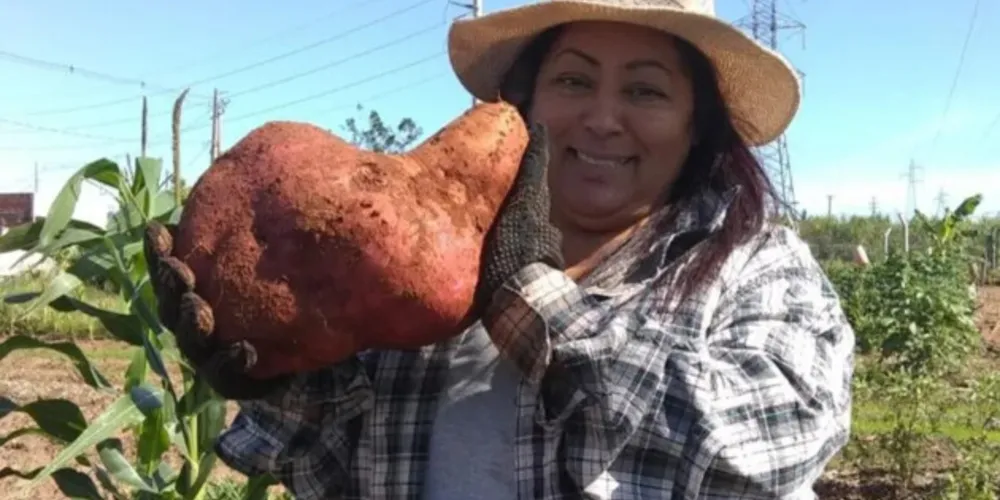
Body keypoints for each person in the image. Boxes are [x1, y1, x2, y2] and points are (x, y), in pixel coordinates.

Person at [144, 0, 856, 497]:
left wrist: (535, 298)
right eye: (573, 80)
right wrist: (282, 375)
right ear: (525, 104)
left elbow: (760, 458)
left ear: (697, 127)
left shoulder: (757, 269)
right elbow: (328, 476)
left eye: (646, 91)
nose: (603, 118)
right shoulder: (415, 278)